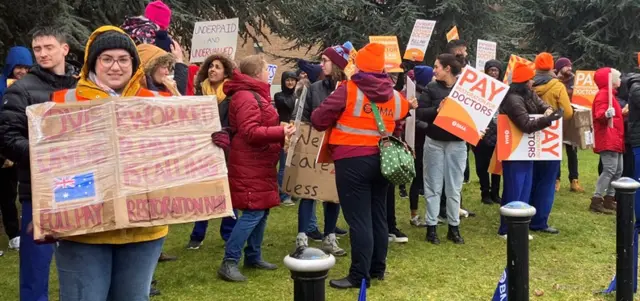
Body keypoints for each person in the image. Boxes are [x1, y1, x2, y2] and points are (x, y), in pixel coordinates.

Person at [47, 26, 170, 301]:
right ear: (94, 62)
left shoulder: (158, 103)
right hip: (84, 231)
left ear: (134, 64)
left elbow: (177, 152)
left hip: (143, 230)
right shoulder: (64, 102)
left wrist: (210, 139)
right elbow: (52, 165)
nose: (116, 66)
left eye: (123, 59)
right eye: (107, 59)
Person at [311, 43, 412, 289]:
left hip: (352, 160)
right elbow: (400, 118)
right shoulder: (395, 95)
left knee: (359, 220)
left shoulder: (348, 90)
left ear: (358, 65)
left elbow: (318, 119)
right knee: (378, 215)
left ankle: (359, 275)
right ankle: (378, 268)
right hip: (384, 160)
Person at [0, 27, 78, 301]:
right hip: (39, 191)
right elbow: (7, 139)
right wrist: (47, 156)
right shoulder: (21, 89)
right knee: (36, 269)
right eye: (38, 49)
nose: (43, 53)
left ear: (64, 49)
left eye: (49, 47)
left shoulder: (79, 87)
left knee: (82, 262)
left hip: (79, 188)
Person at [217, 54, 296, 282]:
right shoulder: (245, 96)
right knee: (252, 212)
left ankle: (253, 255)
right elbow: (249, 131)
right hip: (249, 163)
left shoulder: (254, 94)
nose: (268, 74)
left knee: (262, 210)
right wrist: (281, 132)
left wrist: (279, 132)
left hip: (259, 162)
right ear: (256, 73)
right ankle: (229, 261)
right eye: (265, 70)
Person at [294, 44, 351, 255]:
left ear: (337, 64)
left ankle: (329, 236)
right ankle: (302, 236)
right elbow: (305, 116)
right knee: (308, 193)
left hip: (338, 148)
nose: (321, 64)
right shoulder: (315, 88)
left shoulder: (349, 89)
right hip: (314, 149)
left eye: (325, 60)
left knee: (332, 194)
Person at [497, 62, 563, 239]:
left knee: (524, 188)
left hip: (526, 150)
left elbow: (540, 105)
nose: (533, 82)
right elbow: (525, 125)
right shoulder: (512, 99)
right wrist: (548, 120)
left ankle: (519, 226)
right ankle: (506, 229)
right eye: (530, 79)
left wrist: (548, 110)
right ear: (523, 82)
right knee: (514, 189)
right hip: (514, 149)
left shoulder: (528, 93)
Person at [186, 53, 238, 250]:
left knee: (228, 193)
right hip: (203, 151)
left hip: (226, 150)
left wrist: (227, 135)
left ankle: (229, 233)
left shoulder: (232, 96)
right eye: (210, 66)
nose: (212, 70)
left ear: (226, 72)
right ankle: (197, 235)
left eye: (217, 66)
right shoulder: (200, 94)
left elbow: (236, 124)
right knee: (204, 192)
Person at [416, 54, 467, 245]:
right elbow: (421, 112)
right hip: (435, 142)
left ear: (447, 69)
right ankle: (432, 227)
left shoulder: (463, 89)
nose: (434, 70)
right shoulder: (431, 88)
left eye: (436, 66)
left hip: (457, 143)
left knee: (454, 187)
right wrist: (438, 109)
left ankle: (454, 227)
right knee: (433, 185)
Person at [529, 52, 573, 234]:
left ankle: (525, 214)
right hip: (550, 138)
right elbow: (568, 112)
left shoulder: (528, 84)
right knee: (547, 180)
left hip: (529, 135)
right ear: (552, 67)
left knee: (531, 177)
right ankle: (540, 221)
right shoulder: (557, 86)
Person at [0, 46, 32, 251]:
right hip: (3, 145)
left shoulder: (29, 87)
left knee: (9, 193)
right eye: (18, 67)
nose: (21, 71)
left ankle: (14, 234)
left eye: (25, 67)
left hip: (16, 150)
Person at [590, 68, 624, 214]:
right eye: (619, 77)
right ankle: (596, 199)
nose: (621, 80)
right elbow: (599, 114)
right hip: (607, 136)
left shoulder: (610, 95)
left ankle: (609, 198)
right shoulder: (603, 95)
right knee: (610, 169)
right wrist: (606, 114)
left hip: (614, 136)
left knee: (617, 170)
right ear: (612, 80)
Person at [474, 60, 503, 205]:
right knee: (482, 165)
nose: (493, 73)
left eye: (496, 70)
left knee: (497, 165)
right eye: (491, 70)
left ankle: (495, 193)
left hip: (498, 131)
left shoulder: (504, 90)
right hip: (482, 131)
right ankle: (485, 192)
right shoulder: (479, 89)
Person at [554, 57, 584, 192]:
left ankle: (574, 180)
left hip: (571, 119)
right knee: (556, 152)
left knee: (572, 152)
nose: (570, 69)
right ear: (560, 67)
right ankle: (556, 180)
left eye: (570, 66)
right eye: (567, 66)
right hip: (558, 120)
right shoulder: (553, 80)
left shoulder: (575, 81)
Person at [409, 66, 433, 226]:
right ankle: (414, 214)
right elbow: (413, 120)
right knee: (417, 179)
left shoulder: (426, 93)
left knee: (427, 178)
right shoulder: (415, 96)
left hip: (427, 142)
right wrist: (429, 126)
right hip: (418, 143)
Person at [274, 71, 298, 206]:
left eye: (293, 80)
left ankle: (292, 191)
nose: (290, 83)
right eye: (287, 80)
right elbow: (288, 106)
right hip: (284, 130)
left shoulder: (297, 96)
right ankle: (284, 195)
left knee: (294, 163)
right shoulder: (279, 96)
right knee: (284, 164)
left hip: (294, 130)